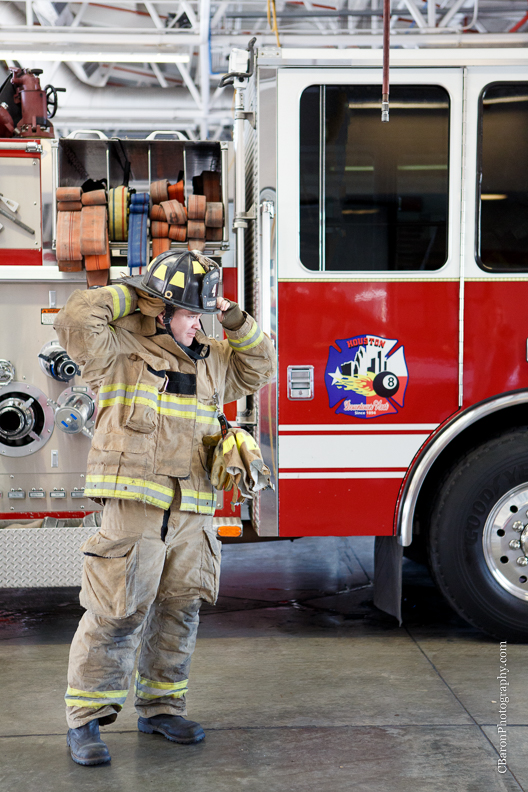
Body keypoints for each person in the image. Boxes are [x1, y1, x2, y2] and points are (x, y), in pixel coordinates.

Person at [54, 250, 276, 766]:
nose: (197, 324)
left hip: (195, 509)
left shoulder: (214, 357)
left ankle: (161, 708)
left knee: (181, 609)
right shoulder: (117, 349)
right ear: (160, 310)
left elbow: (261, 366)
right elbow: (74, 319)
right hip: (136, 505)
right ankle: (85, 720)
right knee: (117, 610)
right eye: (187, 313)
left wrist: (232, 316)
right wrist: (136, 291)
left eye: (202, 315)